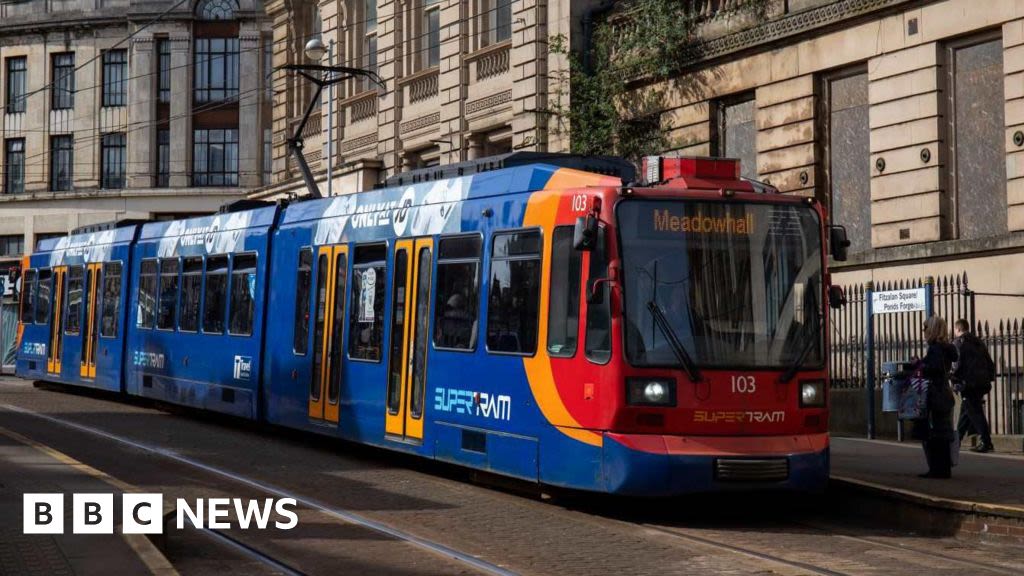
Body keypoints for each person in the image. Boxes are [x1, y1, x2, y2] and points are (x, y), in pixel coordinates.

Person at [912, 316, 958, 479]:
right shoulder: (945, 348)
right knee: (942, 433)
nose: (923, 331)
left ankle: (937, 469)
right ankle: (943, 469)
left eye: (925, 328)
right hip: (944, 393)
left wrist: (920, 365)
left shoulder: (936, 348)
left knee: (934, 434)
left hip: (936, 394)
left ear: (932, 330)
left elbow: (934, 368)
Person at [951, 319, 995, 453]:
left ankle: (986, 442)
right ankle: (955, 441)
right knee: (967, 409)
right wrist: (989, 377)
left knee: (975, 412)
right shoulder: (978, 341)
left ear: (958, 329)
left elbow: (957, 364)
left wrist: (953, 378)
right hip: (982, 382)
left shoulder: (958, 343)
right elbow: (989, 362)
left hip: (969, 383)